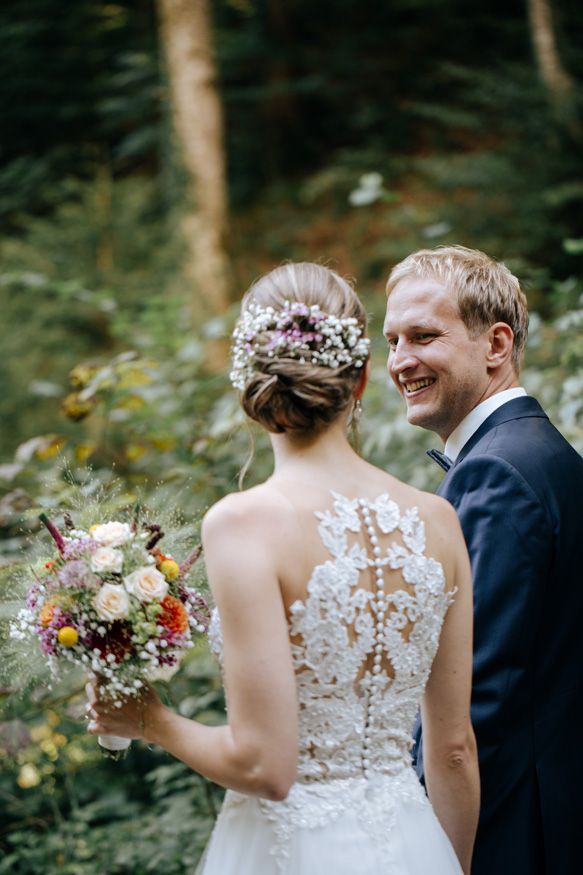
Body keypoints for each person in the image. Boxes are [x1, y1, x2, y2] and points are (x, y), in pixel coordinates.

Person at [87, 262, 479, 875]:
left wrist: (151, 720)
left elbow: (264, 768)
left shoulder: (244, 523)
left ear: (246, 381)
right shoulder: (437, 520)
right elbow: (453, 752)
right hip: (416, 845)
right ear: (362, 379)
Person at [383, 245, 583, 875]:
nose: (399, 362)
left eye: (423, 336)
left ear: (496, 346)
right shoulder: (540, 454)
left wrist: (432, 849)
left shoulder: (497, 473)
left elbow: (474, 704)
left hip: (510, 835)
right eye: (391, 341)